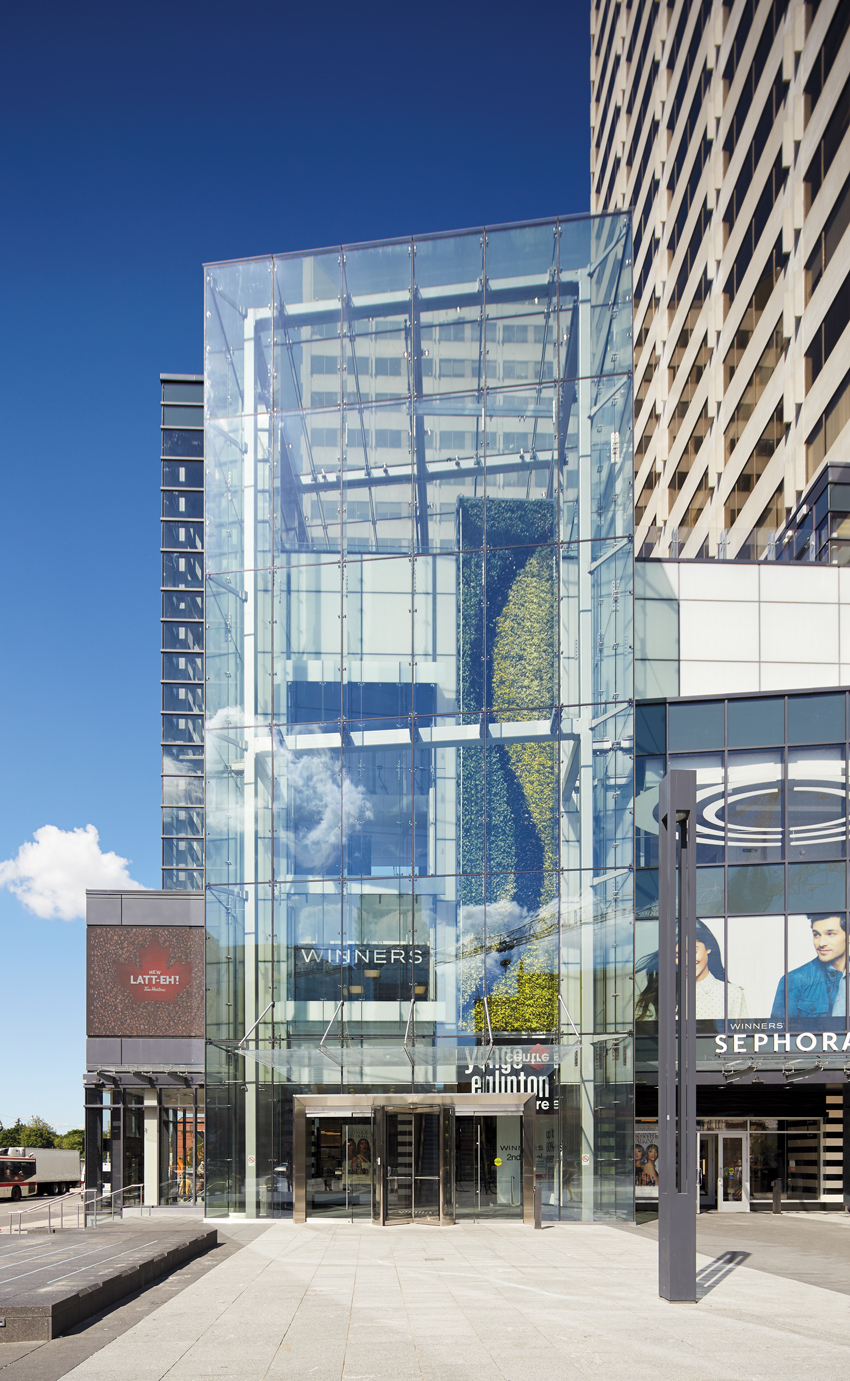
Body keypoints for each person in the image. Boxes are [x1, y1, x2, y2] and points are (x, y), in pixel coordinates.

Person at [635, 920, 746, 1026]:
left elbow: (741, 1039)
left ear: (708, 948)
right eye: (678, 955)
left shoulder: (732, 994)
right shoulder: (659, 994)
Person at [771, 914, 847, 1028]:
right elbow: (777, 1037)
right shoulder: (794, 981)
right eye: (816, 935)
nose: (821, 943)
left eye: (830, 934)